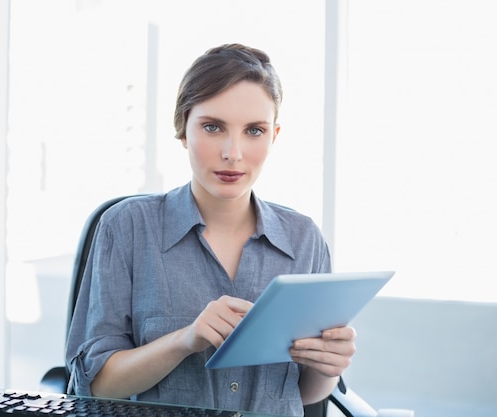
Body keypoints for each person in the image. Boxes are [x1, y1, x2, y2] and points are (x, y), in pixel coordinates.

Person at [65, 43, 356, 416]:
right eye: (213, 127)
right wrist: (186, 340)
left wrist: (328, 366)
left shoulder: (304, 239)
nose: (233, 153)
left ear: (274, 136)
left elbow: (304, 393)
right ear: (183, 130)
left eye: (254, 130)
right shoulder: (127, 228)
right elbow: (93, 386)